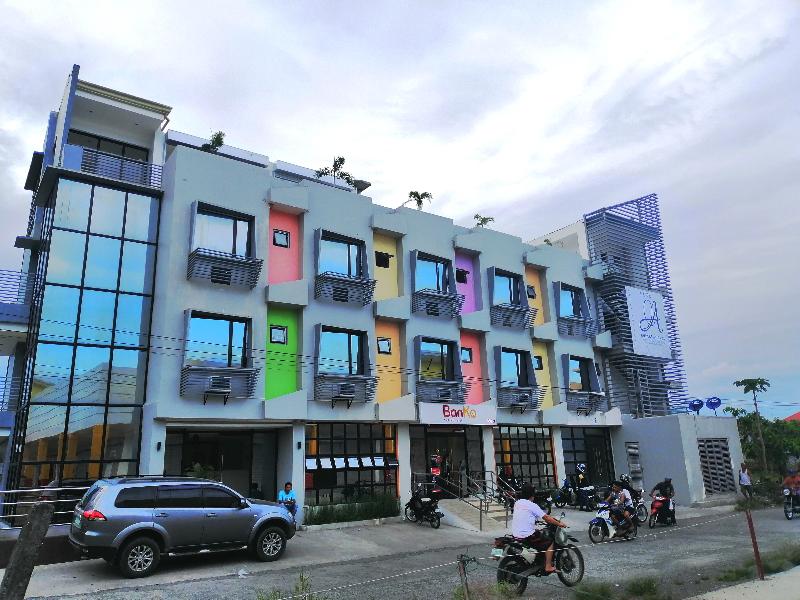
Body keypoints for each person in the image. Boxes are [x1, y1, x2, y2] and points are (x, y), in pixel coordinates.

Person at [512, 484, 567, 574]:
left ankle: (539, 559)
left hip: (516, 534)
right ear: (532, 495)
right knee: (549, 541)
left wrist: (534, 520)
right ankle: (548, 566)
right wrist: (559, 523)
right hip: (526, 535)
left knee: (539, 535)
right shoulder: (532, 505)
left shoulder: (517, 503)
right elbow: (547, 518)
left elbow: (524, 515)